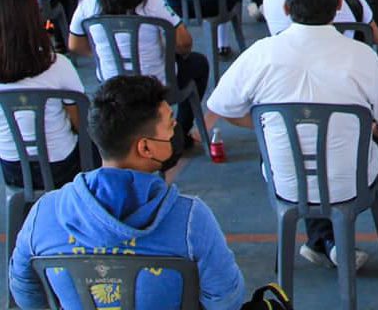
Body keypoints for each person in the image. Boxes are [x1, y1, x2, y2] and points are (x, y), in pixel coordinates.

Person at [208, 0, 378, 272]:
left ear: (287, 8)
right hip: (347, 183)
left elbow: (222, 107)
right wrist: (368, 130)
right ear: (339, 4)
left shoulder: (261, 53)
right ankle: (329, 237)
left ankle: (322, 238)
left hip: (285, 182)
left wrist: (262, 126)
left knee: (289, 157)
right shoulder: (361, 55)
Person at [9, 75, 246, 310]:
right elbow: (226, 301)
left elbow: (25, 294)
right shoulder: (191, 220)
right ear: (145, 147)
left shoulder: (45, 214)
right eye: (170, 124)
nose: (175, 130)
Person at [68, 0, 210, 147]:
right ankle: (180, 131)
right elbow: (184, 43)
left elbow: (74, 45)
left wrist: (104, 53)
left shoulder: (88, 6)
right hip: (155, 86)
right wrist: (164, 49)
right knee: (198, 63)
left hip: (111, 86)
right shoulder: (154, 4)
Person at [0, 0, 88, 190]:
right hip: (61, 168)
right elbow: (81, 123)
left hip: (13, 170)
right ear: (35, 18)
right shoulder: (59, 66)